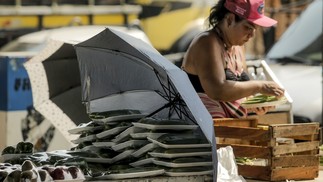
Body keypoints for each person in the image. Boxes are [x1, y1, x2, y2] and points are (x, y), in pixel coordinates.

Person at [181, 0, 285, 118]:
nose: (252, 35)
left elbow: (240, 92)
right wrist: (260, 86)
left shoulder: (238, 47)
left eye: (255, 29)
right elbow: (216, 90)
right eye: (248, 27)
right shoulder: (207, 42)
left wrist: (256, 104)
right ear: (230, 19)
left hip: (231, 130)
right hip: (206, 132)